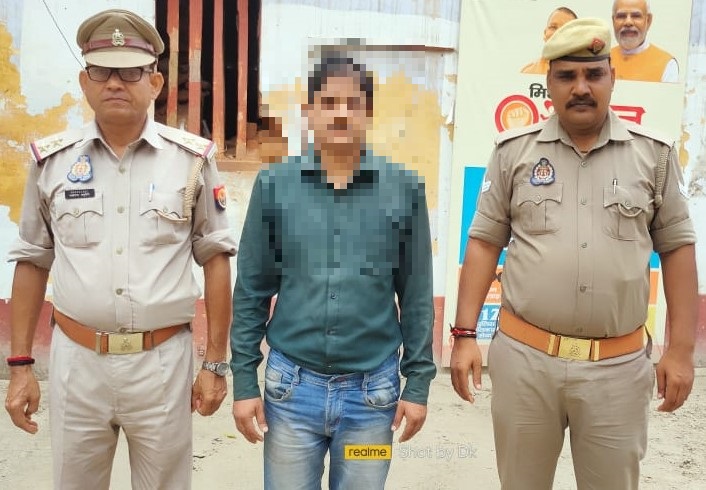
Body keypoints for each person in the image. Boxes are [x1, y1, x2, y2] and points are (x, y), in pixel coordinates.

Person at [451, 18, 696, 490]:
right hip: (525, 363)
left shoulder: (654, 156)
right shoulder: (513, 153)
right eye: (567, 76)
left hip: (617, 370)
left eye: (593, 74)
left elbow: (678, 250)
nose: (581, 88)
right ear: (549, 83)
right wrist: (463, 335)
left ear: (612, 77)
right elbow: (483, 242)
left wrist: (682, 351)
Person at [3, 9, 236, 490]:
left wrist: (214, 363)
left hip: (162, 363)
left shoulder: (191, 161)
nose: (114, 83)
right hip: (77, 362)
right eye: (101, 71)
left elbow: (215, 259)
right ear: (84, 82)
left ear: (155, 82)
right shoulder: (52, 163)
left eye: (130, 72)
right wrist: (21, 365)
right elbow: (32, 261)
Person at [230, 52, 436, 489]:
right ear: (309, 111)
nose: (341, 113)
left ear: (369, 112)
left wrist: (417, 384)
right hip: (290, 393)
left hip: (374, 399)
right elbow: (251, 289)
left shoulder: (404, 189)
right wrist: (245, 381)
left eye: (352, 103)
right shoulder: (274, 186)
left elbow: (416, 293)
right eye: (328, 102)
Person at [610, 0, 678, 82]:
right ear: (613, 21)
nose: (628, 22)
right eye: (621, 16)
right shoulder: (602, 59)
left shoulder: (667, 64)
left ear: (648, 21)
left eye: (636, 16)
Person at [521, 7, 577, 75]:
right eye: (553, 27)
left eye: (565, 29)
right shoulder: (528, 72)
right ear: (545, 33)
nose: (557, 33)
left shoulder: (585, 71)